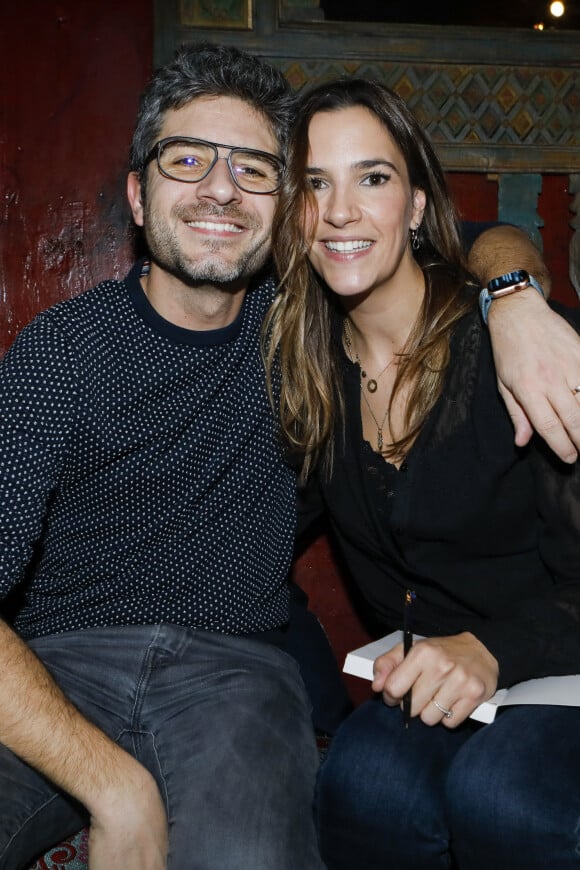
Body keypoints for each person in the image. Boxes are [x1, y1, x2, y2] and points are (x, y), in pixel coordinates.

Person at [0, 41, 578, 870]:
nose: (220, 190)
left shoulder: (294, 329)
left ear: (278, 208)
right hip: (61, 664)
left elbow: (471, 237)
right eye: (187, 159)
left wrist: (514, 296)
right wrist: (116, 789)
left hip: (235, 674)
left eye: (255, 168)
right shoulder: (69, 353)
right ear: (136, 193)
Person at [264, 77, 580, 869]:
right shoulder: (306, 369)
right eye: (314, 184)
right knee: (362, 784)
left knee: (504, 796)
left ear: (412, 205)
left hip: (560, 665)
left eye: (372, 178)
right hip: (430, 678)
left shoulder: (517, 352)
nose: (340, 211)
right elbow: (254, 543)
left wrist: (494, 649)